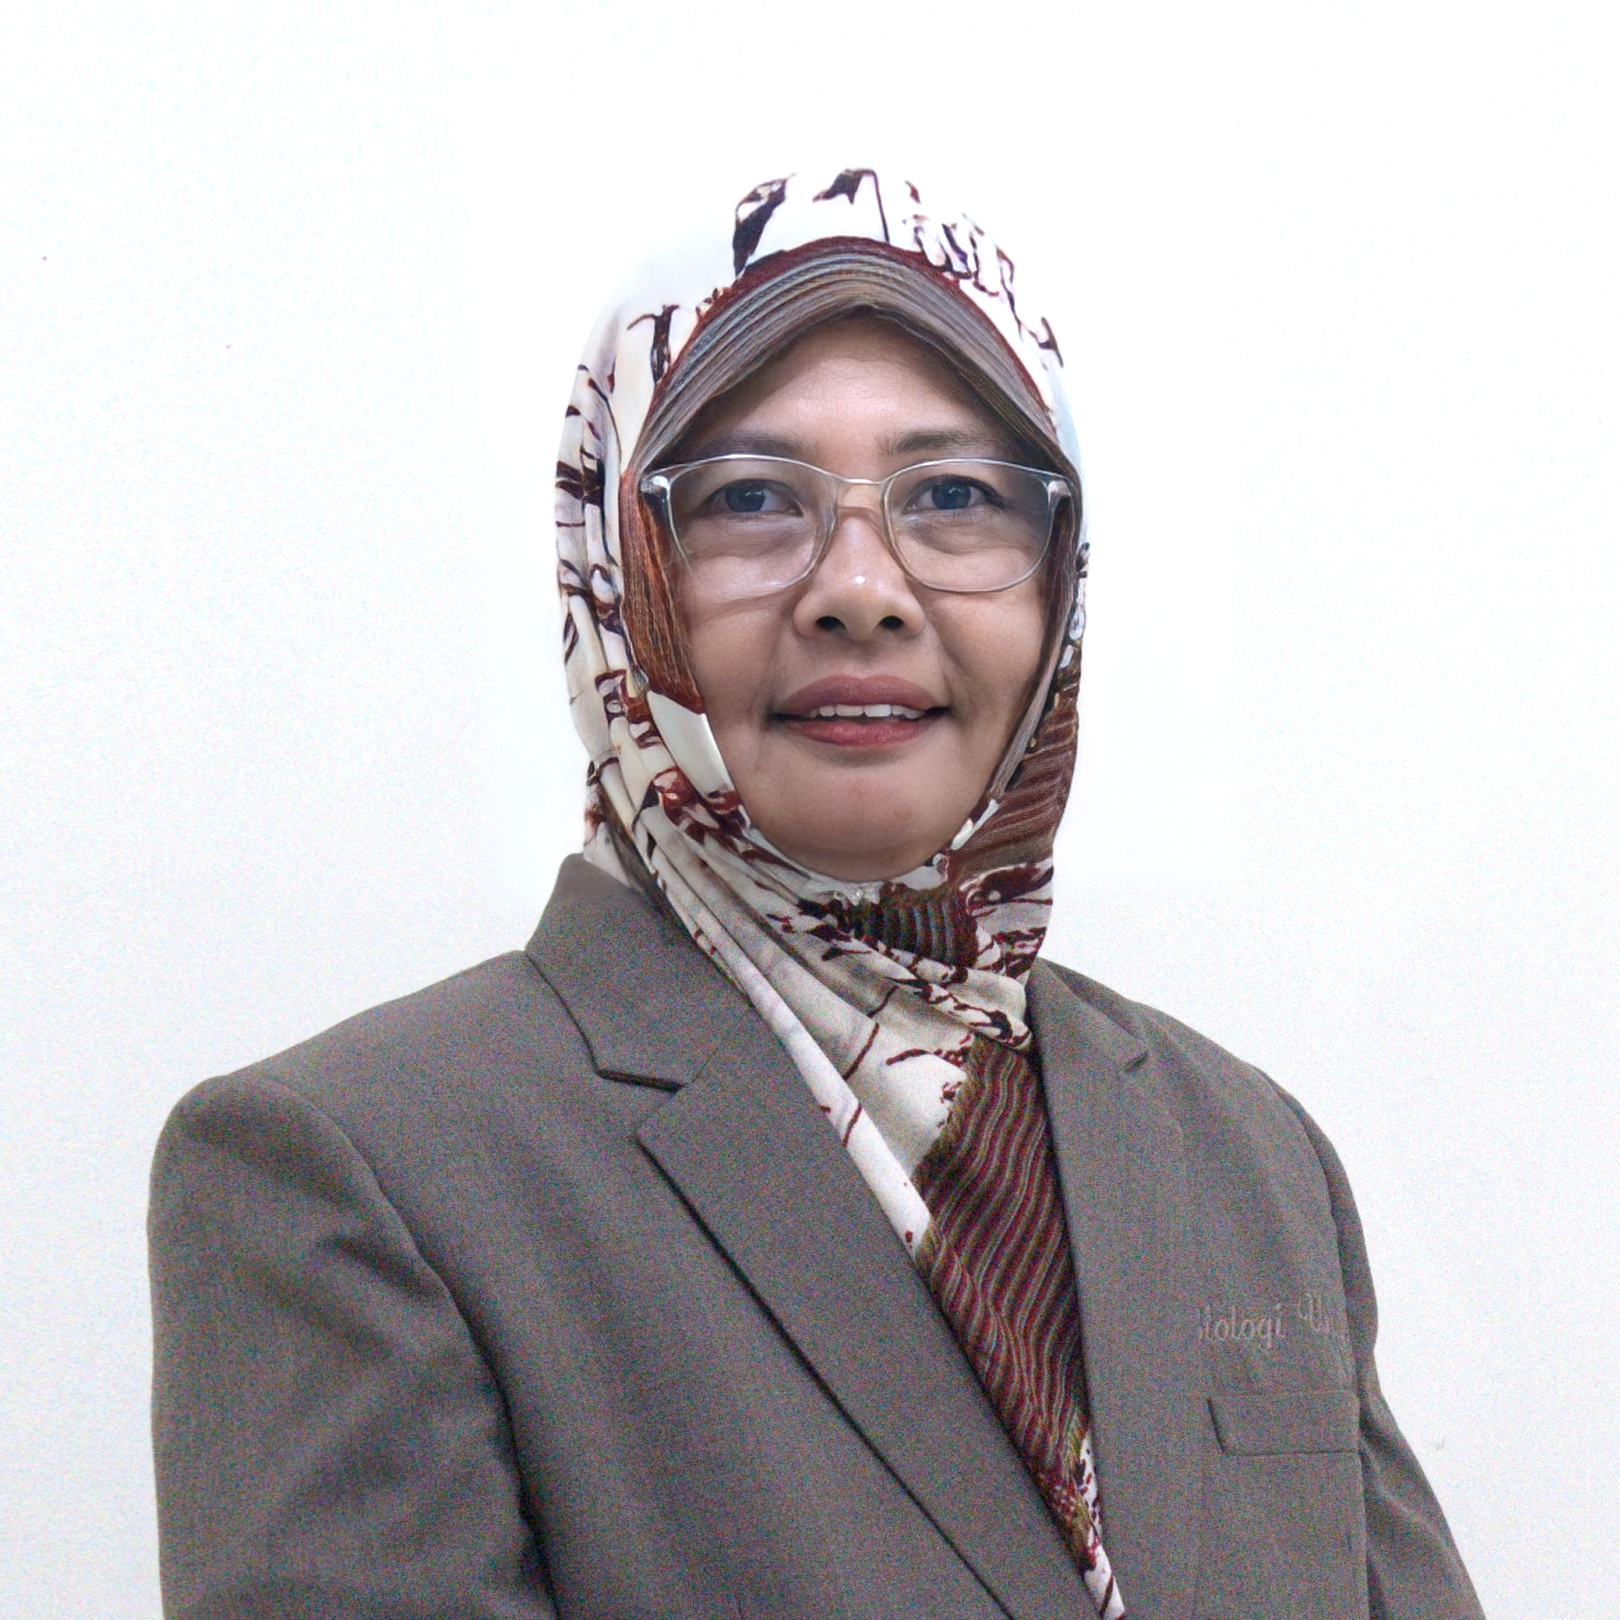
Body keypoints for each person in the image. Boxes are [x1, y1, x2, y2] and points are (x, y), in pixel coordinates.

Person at [148, 168, 1484, 1620]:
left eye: (956, 498)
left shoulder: (1246, 1154)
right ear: (619, 573)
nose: (863, 588)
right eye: (749, 501)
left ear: (1060, 580)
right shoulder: (359, 1172)